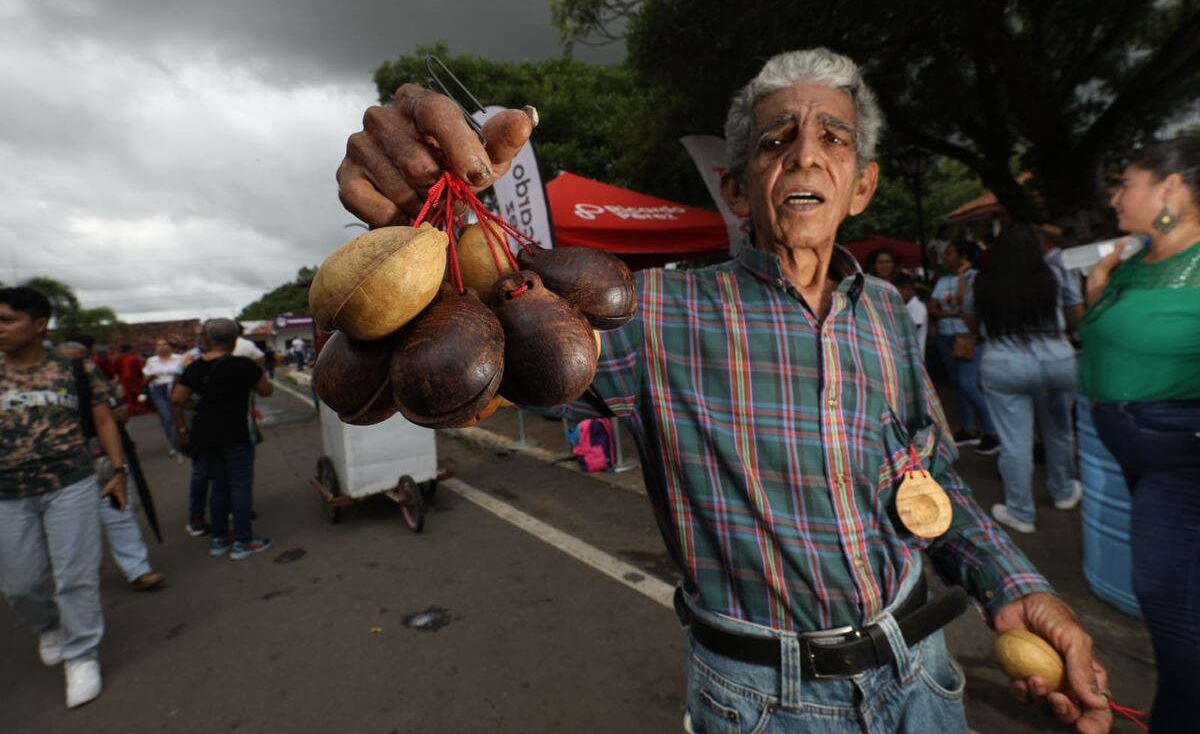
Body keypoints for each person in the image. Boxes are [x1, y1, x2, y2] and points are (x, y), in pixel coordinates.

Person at [336, 48, 1112, 733]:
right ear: (737, 191)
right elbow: (478, 363)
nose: (807, 156)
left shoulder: (885, 315)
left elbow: (933, 475)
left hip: (925, 674)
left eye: (833, 138)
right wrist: (417, 217)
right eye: (778, 140)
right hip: (763, 704)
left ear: (864, 186)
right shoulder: (655, 314)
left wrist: (1012, 588)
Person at [1077, 136, 1200, 732]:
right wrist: (1098, 282)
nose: (1115, 195)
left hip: (1182, 456)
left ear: (1171, 188)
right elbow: (1096, 330)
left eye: (1127, 183)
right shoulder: (1134, 261)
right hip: (1133, 451)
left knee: (1173, 611)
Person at [0, 287, 129, 708]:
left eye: (7, 320)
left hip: (70, 485)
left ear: (40, 325)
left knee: (75, 574)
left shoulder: (74, 370)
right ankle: (48, 627)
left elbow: (103, 420)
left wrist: (118, 471)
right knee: (21, 583)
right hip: (7, 493)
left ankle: (81, 653)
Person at [964, 224, 1083, 534]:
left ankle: (1020, 511)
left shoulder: (981, 282)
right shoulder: (1056, 275)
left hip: (1004, 361)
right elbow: (1076, 315)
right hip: (1056, 356)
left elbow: (971, 321)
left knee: (1015, 442)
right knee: (1059, 432)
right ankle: (1064, 491)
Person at [58, 341, 166, 592]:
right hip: (62, 465)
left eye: (82, 359)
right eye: (73, 360)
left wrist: (118, 417)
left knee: (118, 511)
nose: (80, 365)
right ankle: (80, 577)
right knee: (72, 524)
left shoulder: (91, 376)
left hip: (100, 456)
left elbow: (117, 410)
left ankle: (138, 570)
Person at [171, 318, 274, 560]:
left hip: (205, 433)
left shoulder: (194, 367)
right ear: (235, 339)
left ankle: (219, 540)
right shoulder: (244, 365)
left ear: (208, 338)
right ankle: (243, 542)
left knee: (219, 486)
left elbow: (176, 399)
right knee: (240, 485)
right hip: (237, 431)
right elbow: (266, 390)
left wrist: (189, 420)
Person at [928, 240, 1001, 454]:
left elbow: (963, 302)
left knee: (968, 383)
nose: (945, 258)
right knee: (958, 384)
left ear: (964, 257)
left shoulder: (975, 278)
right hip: (945, 334)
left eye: (950, 253)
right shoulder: (943, 280)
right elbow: (933, 307)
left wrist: (962, 276)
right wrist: (948, 313)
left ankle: (992, 431)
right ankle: (968, 429)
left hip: (967, 336)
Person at [142, 338, 184, 454]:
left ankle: (184, 438)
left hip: (175, 388)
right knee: (167, 416)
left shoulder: (179, 358)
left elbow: (185, 372)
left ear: (170, 346)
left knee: (180, 414)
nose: (161, 347)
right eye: (158, 345)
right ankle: (173, 444)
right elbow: (146, 376)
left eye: (164, 344)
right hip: (158, 389)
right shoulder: (151, 360)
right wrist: (151, 377)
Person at [893, 274, 928, 355]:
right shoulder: (903, 306)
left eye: (899, 291)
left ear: (909, 290)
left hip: (915, 354)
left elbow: (911, 330)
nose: (896, 295)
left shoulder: (918, 307)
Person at [113, 344, 148, 416]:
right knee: (140, 394)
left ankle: (132, 411)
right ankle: (142, 410)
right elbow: (141, 369)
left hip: (124, 379)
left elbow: (116, 369)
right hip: (136, 379)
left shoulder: (119, 359)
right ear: (130, 350)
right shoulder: (135, 358)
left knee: (128, 396)